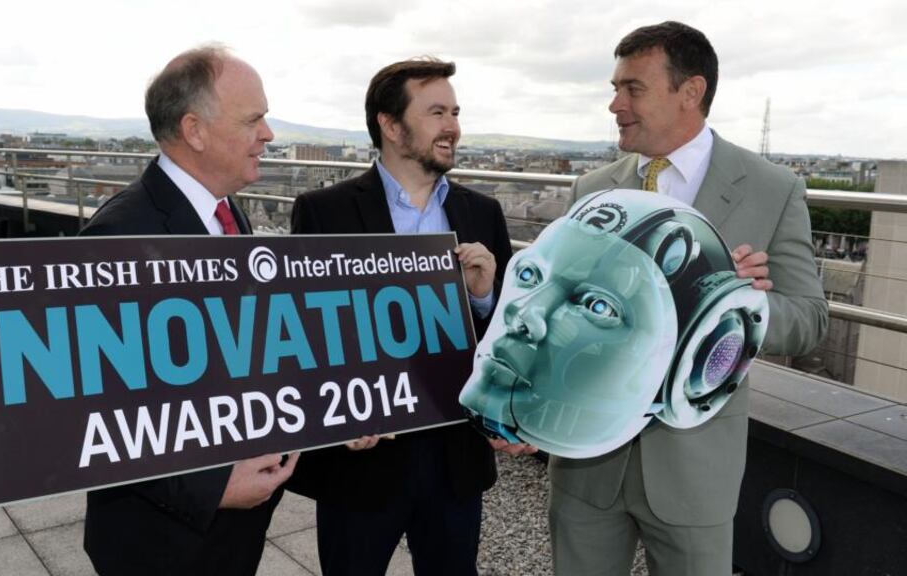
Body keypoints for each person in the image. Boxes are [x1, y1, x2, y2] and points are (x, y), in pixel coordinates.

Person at [548, 21, 828, 576]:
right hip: (585, 464)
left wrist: (735, 304)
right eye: (614, 87)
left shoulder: (772, 188)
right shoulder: (591, 190)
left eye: (633, 88)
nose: (614, 104)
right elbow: (559, 310)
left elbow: (809, 320)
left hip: (694, 473)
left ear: (691, 92)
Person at [287, 58, 528, 576]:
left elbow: (510, 336)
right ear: (391, 126)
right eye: (436, 112)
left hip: (453, 458)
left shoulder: (482, 211)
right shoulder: (322, 211)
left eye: (455, 112)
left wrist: (485, 298)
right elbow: (306, 335)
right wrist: (335, 416)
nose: (453, 127)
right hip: (363, 457)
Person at [79, 44, 299, 576]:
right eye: (254, 119)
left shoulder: (227, 214)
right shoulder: (119, 236)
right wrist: (211, 484)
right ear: (195, 131)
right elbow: (92, 410)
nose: (268, 134)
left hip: (228, 532)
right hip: (162, 542)